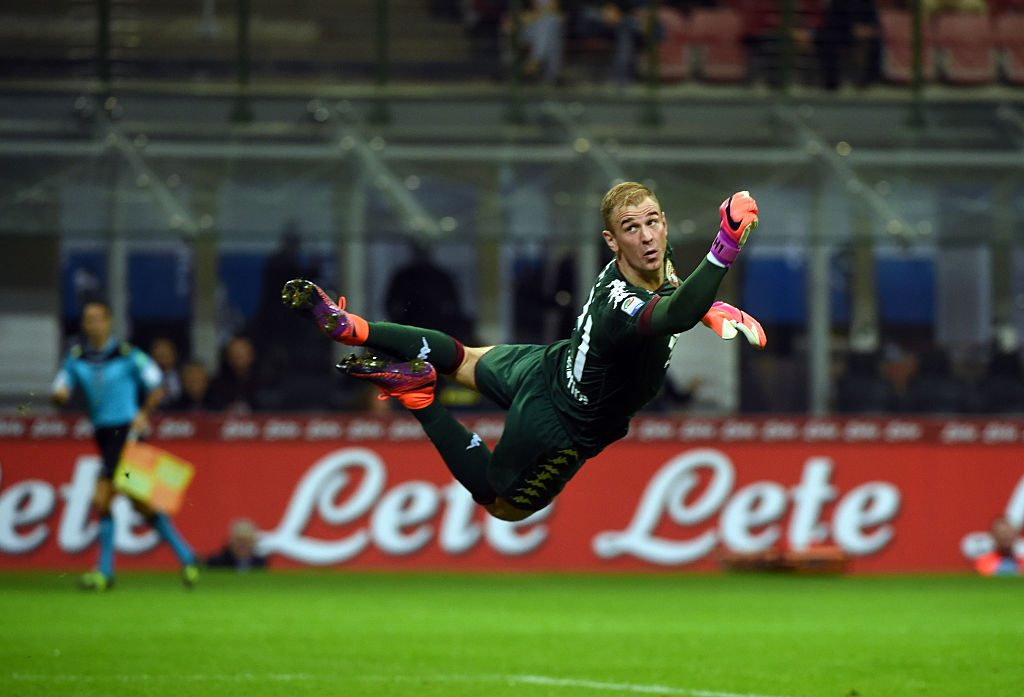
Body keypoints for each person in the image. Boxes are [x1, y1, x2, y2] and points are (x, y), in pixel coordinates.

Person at [282, 183, 765, 522]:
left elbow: (676, 299)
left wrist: (709, 306)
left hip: (547, 363)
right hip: (563, 425)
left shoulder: (655, 263)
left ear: (663, 224)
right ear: (611, 241)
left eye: (652, 222)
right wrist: (724, 246)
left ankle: (352, 327)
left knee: (464, 358)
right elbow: (667, 315)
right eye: (630, 228)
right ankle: (420, 397)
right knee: (502, 505)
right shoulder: (623, 301)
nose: (645, 236)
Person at [50, 299, 199, 591]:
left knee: (102, 497)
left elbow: (157, 384)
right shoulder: (76, 358)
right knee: (139, 503)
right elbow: (60, 388)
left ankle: (104, 572)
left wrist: (143, 414)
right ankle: (186, 555)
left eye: (97, 318)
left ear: (108, 322)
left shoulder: (128, 355)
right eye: (88, 319)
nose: (93, 324)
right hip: (103, 435)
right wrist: (59, 396)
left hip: (127, 435)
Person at [149, 336, 183, 408]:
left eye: (165, 356)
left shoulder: (183, 376)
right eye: (159, 356)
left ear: (174, 356)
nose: (162, 360)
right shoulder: (142, 378)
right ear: (152, 357)